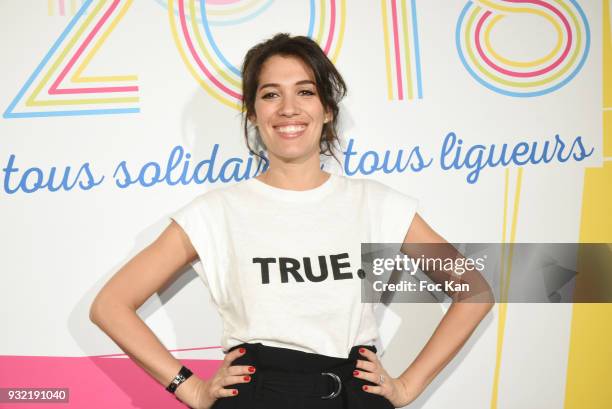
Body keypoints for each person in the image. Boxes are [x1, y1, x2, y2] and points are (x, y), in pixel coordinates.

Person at [90, 33, 494, 409]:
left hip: (353, 396)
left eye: (306, 91)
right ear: (253, 113)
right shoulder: (216, 213)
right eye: (270, 94)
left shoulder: (376, 204)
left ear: (328, 110)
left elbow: (474, 292)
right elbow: (110, 306)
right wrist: (191, 387)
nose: (288, 108)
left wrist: (406, 387)